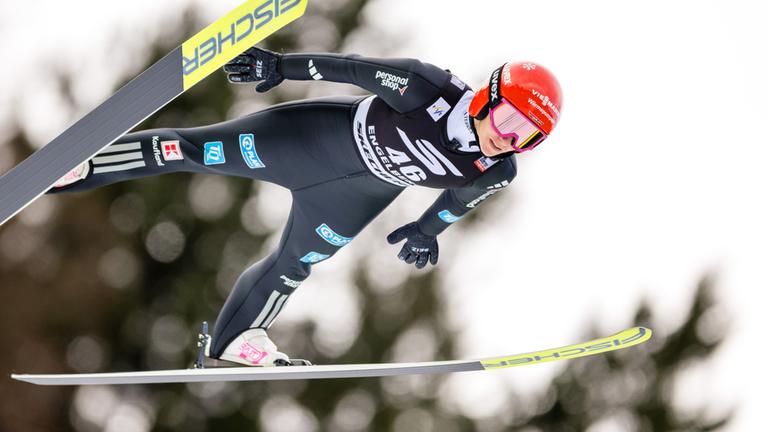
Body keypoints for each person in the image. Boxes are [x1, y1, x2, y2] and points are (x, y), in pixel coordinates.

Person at [48, 47, 563, 366]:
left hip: (354, 198)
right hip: (307, 143)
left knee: (296, 263)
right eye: (508, 120)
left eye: (526, 135)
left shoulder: (497, 169)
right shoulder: (428, 89)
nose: (508, 138)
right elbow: (353, 68)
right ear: (489, 96)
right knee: (191, 150)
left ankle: (238, 338)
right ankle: (86, 165)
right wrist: (280, 66)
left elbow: (458, 201)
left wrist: (427, 231)